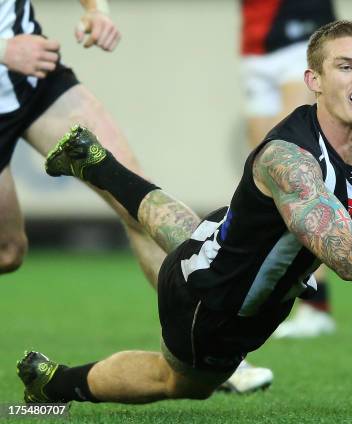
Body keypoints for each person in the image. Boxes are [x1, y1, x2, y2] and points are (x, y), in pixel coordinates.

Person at [17, 20, 352, 404]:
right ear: (314, 79)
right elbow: (348, 260)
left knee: (186, 232)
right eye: (345, 66)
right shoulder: (290, 161)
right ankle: (58, 386)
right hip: (215, 303)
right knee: (181, 384)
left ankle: (99, 164)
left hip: (219, 238)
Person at [0, 0, 271, 393]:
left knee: (134, 199)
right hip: (12, 60)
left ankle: (217, 347)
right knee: (8, 252)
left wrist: (97, 10)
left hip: (36, 80)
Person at [240, 0, 337, 338]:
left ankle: (316, 305)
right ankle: (261, 298)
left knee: (299, 172)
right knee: (263, 174)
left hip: (301, 33)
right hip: (255, 44)